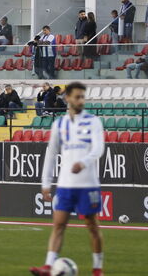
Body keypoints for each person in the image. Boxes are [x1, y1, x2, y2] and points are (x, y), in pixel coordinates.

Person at [30, 81, 105, 276]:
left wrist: (84, 162)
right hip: (65, 184)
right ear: (68, 98)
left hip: (88, 184)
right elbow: (51, 154)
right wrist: (46, 183)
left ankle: (97, 269)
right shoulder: (59, 124)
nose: (81, 100)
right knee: (58, 225)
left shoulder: (93, 121)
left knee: (93, 226)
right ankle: (48, 265)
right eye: (77, 96)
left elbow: (98, 149)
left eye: (83, 96)